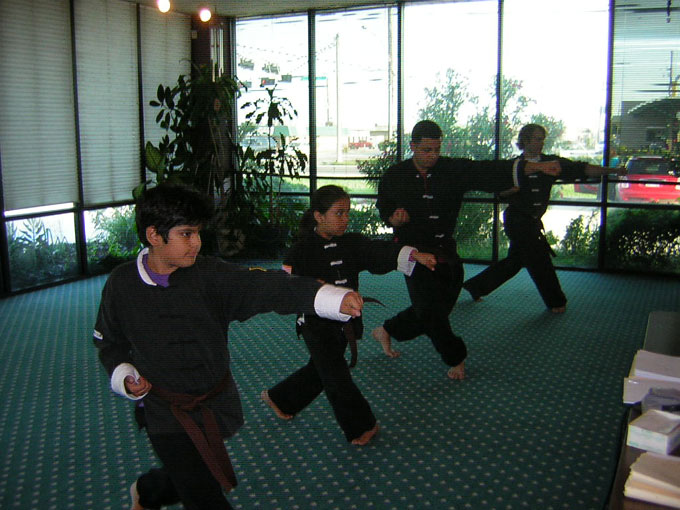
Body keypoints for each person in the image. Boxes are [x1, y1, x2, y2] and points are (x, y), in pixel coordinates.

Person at [92, 183, 365, 510]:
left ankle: (148, 491)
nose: (197, 243)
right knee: (203, 492)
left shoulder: (210, 275)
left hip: (213, 404)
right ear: (154, 235)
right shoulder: (121, 284)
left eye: (198, 233)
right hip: (164, 411)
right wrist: (123, 375)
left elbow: (265, 286)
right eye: (186, 234)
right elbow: (109, 342)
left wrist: (328, 298)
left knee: (194, 471)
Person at [371, 120, 562, 380]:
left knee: (434, 310)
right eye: (426, 150)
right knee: (431, 312)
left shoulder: (452, 169)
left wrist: (535, 167)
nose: (433, 156)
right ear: (412, 146)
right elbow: (384, 207)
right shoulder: (395, 175)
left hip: (446, 253)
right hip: (414, 255)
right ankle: (456, 357)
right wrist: (393, 218)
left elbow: (487, 171)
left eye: (437, 150)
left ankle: (387, 330)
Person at [261, 185, 437, 445]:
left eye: (347, 213)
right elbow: (287, 285)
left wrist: (413, 255)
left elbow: (378, 252)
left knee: (321, 368)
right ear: (319, 216)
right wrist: (312, 285)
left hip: (346, 321)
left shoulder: (352, 243)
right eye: (339, 213)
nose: (345, 219)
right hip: (315, 323)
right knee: (335, 374)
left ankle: (280, 398)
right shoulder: (300, 250)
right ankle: (361, 426)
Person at [462, 123, 624, 313]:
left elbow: (582, 169)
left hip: (532, 221)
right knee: (539, 259)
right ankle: (556, 302)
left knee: (515, 261)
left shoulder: (551, 163)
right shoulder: (514, 166)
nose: (541, 143)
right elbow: (500, 194)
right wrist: (511, 190)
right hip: (517, 221)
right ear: (525, 141)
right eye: (537, 139)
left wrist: (612, 171)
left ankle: (476, 286)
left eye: (542, 139)